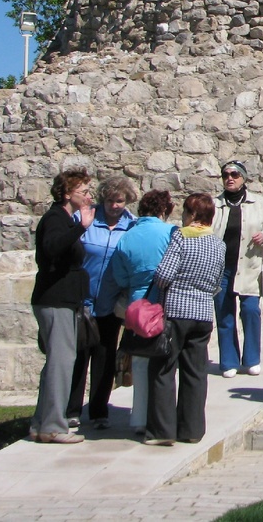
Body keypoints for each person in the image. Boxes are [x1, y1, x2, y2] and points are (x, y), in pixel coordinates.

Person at [144, 193, 226, 446]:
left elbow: (164, 274)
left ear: (192, 215)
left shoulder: (182, 236)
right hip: (202, 313)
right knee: (196, 372)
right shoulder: (218, 244)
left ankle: (162, 431)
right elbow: (217, 280)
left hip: (177, 311)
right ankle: (191, 429)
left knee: (163, 369)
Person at [67, 175, 138, 429]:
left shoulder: (132, 226)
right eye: (110, 200)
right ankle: (71, 410)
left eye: (119, 201)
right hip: (83, 301)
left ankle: (99, 411)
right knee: (78, 356)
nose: (114, 205)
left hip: (110, 303)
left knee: (104, 359)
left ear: (127, 200)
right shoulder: (86, 220)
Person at [30, 168, 95, 444]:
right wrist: (80, 227)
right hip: (56, 299)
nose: (89, 196)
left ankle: (41, 423)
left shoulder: (65, 219)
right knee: (62, 362)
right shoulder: (56, 218)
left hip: (63, 299)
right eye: (84, 191)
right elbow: (52, 247)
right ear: (68, 194)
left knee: (57, 362)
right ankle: (54, 426)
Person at [106, 188, 177, 436]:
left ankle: (138, 418)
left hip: (137, 303)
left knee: (139, 360)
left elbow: (120, 274)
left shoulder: (127, 236)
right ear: (164, 210)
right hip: (163, 302)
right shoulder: (170, 233)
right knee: (163, 362)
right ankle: (158, 418)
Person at [211, 160, 263, 377]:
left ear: (243, 178)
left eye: (234, 175)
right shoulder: (215, 204)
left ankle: (251, 359)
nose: (230, 178)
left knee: (250, 311)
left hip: (249, 266)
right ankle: (229, 361)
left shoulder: (258, 203)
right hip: (222, 268)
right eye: (226, 175)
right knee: (224, 313)